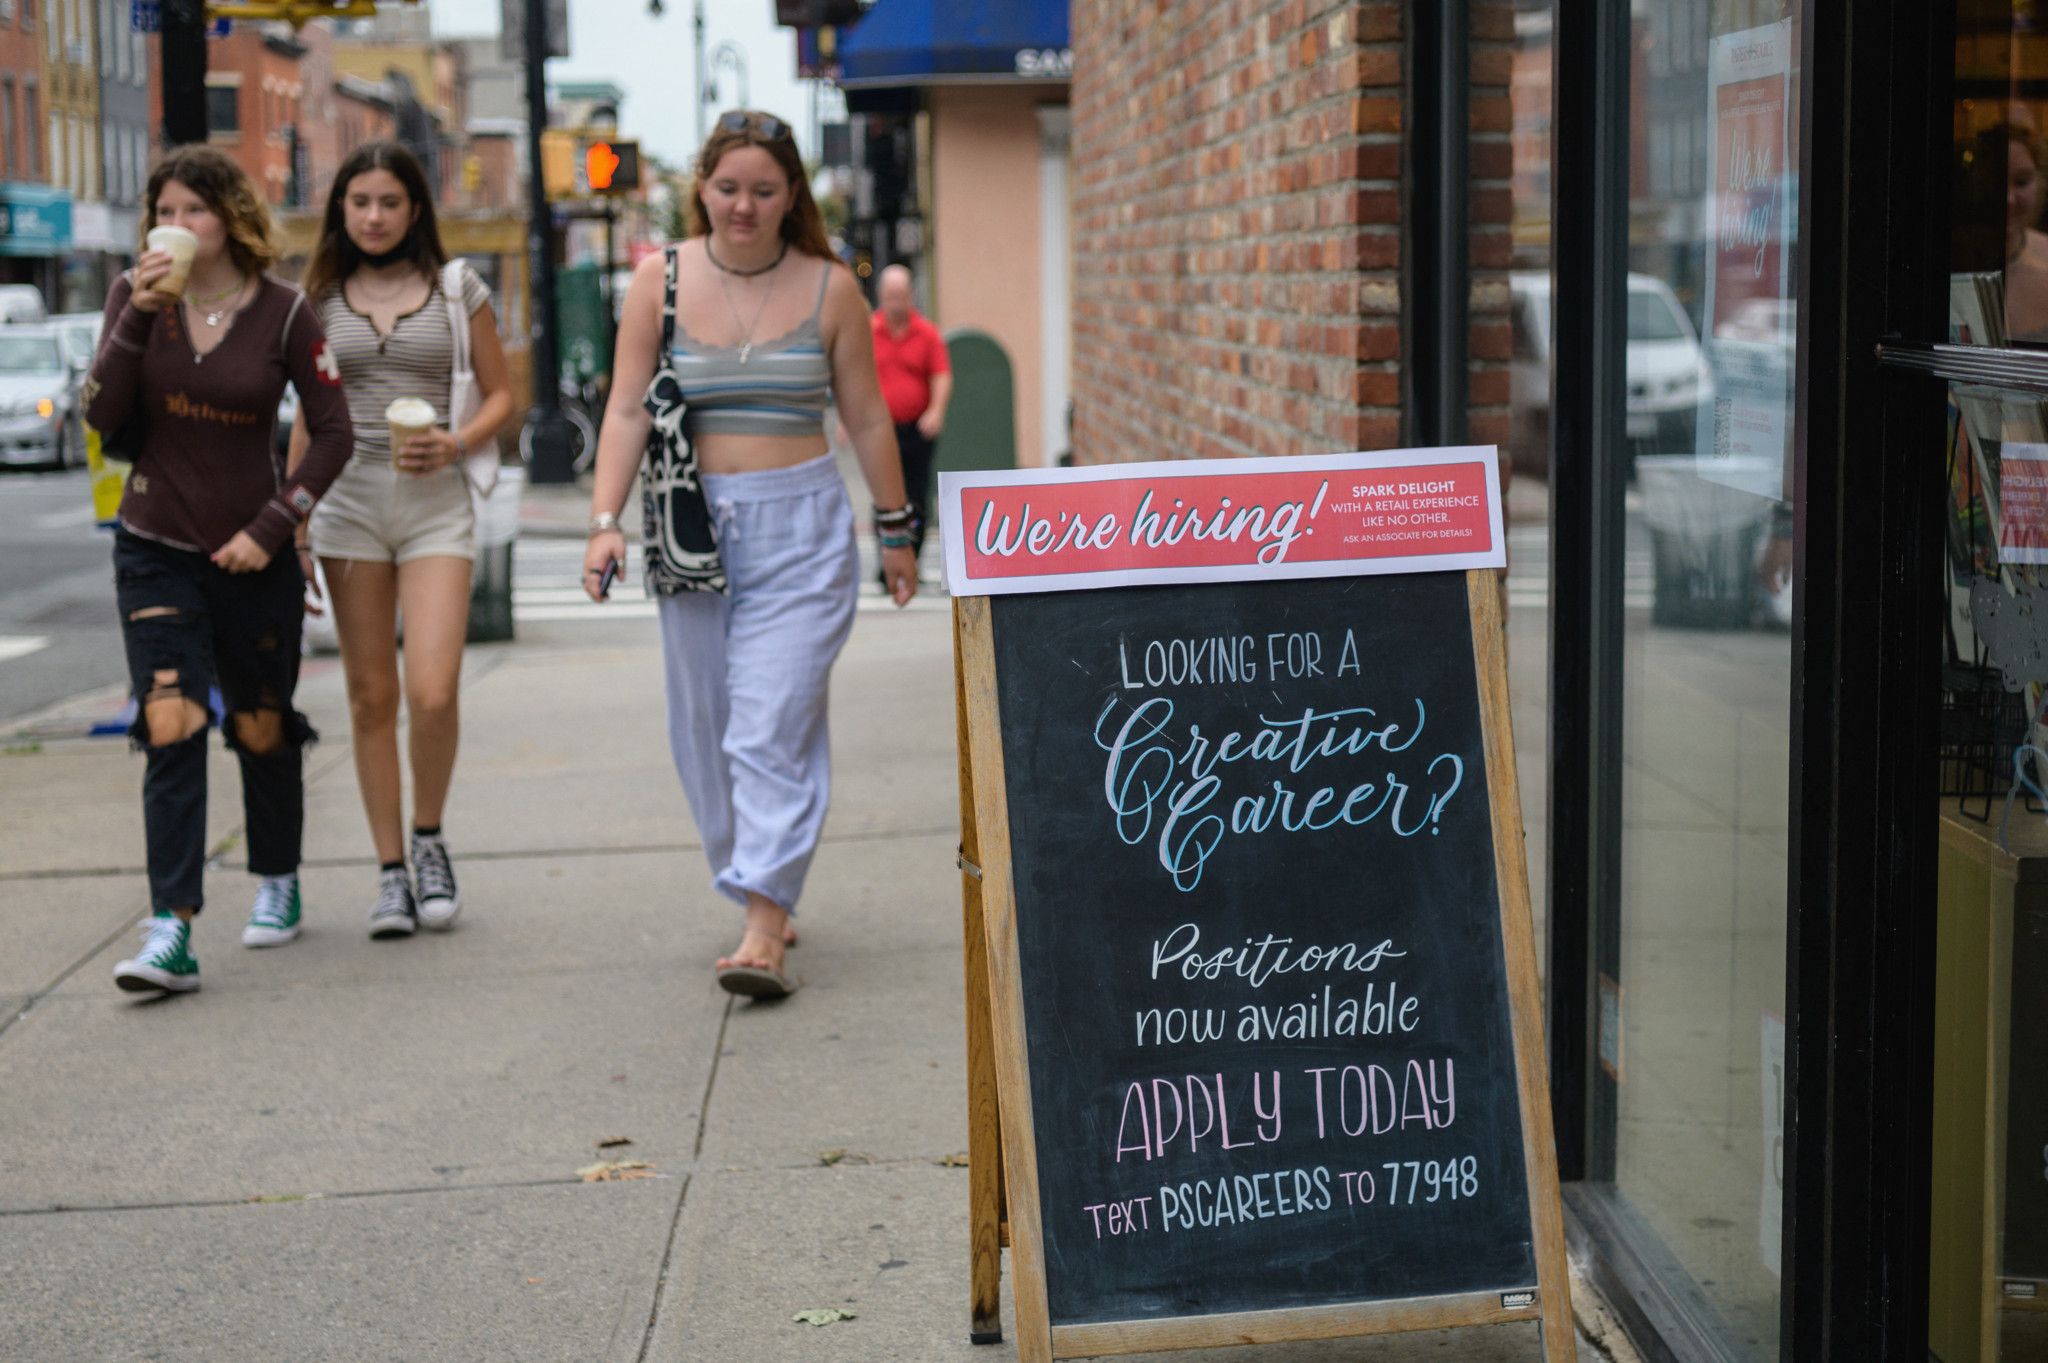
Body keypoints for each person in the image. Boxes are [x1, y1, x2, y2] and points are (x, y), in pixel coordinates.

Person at [582, 109, 919, 999]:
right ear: (701, 188)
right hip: (691, 524)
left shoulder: (829, 287)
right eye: (728, 187)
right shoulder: (656, 281)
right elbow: (622, 409)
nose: (743, 205)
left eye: (764, 190)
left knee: (769, 724)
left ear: (791, 195)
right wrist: (603, 518)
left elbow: (869, 416)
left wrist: (895, 529)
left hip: (802, 528)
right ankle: (756, 875)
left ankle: (765, 920)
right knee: (705, 731)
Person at [86, 145, 353, 994]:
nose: (178, 225)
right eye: (164, 209)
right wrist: (137, 313)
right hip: (154, 545)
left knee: (261, 725)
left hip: (254, 553)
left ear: (230, 218)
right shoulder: (133, 298)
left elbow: (335, 430)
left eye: (194, 209)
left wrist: (277, 526)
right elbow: (101, 414)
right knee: (170, 719)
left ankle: (277, 875)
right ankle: (173, 926)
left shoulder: (282, 312)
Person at [294, 141, 513, 940]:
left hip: (434, 506)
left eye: (389, 202)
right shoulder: (316, 298)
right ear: (340, 210)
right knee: (369, 696)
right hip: (347, 503)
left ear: (415, 209)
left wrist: (456, 442)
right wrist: (297, 521)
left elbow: (502, 396)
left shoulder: (458, 290)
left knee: (432, 688)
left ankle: (429, 839)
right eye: (360, 203)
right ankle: (390, 872)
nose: (375, 217)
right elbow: (307, 419)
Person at [869, 264, 951, 565]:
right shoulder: (868, 331)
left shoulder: (927, 333)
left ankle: (912, 559)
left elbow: (941, 374)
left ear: (911, 295)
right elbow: (855, 378)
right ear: (881, 296)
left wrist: (936, 411)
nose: (895, 303)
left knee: (916, 495)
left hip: (917, 429)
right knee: (884, 494)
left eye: (901, 296)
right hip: (880, 429)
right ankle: (886, 560)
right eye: (890, 296)